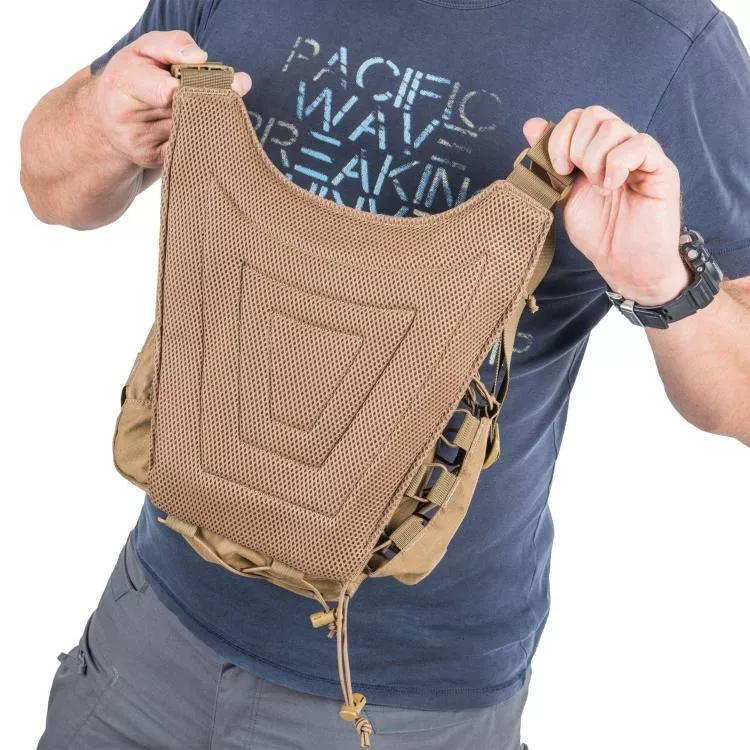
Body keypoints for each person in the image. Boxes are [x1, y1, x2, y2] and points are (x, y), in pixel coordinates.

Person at [20, 1, 750, 748]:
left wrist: (663, 282)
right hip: (152, 622)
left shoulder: (670, 45)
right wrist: (101, 121)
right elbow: (51, 189)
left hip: (402, 698)